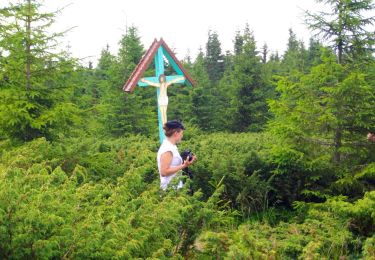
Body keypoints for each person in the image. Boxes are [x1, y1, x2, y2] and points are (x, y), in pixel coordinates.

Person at [157, 120, 197, 191]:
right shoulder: (168, 149)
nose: (182, 136)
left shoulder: (172, 146)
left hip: (174, 188)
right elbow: (164, 172)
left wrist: (185, 160)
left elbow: (172, 165)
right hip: (169, 190)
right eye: (181, 133)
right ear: (176, 133)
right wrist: (183, 166)